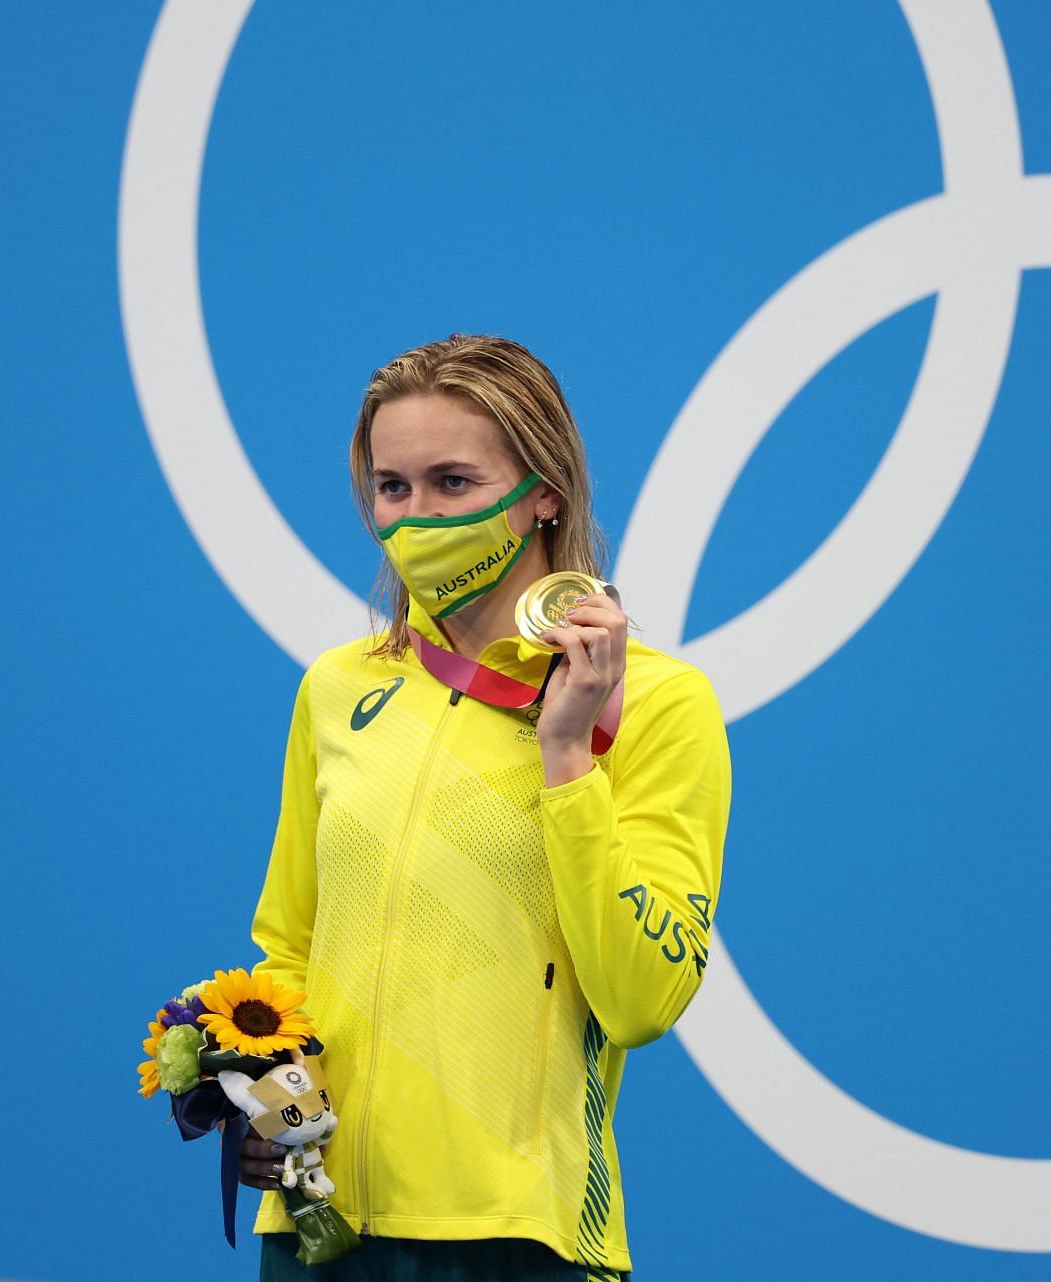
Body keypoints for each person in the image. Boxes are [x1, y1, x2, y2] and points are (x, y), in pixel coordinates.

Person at [242, 334, 731, 1281]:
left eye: (454, 483)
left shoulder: (660, 705)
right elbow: (288, 954)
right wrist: (278, 1121)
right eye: (393, 487)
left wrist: (566, 753)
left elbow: (641, 998)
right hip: (318, 1231)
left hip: (517, 1237)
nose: (416, 516)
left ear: (543, 492)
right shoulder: (338, 688)